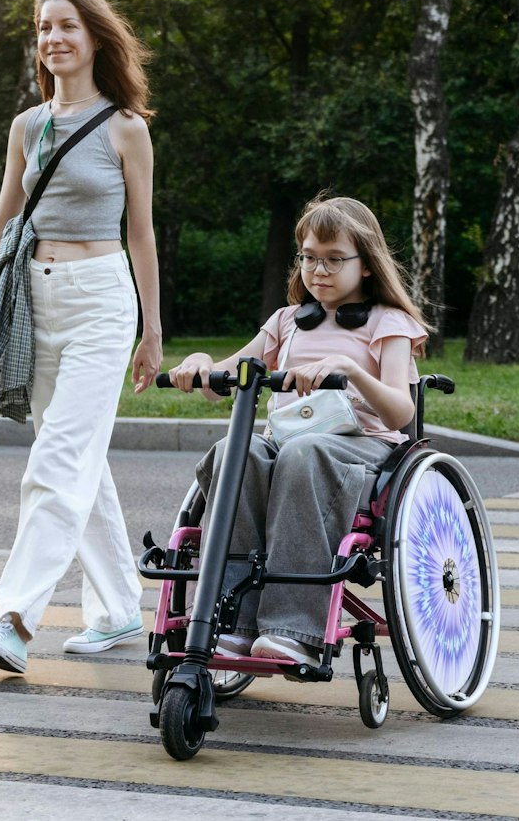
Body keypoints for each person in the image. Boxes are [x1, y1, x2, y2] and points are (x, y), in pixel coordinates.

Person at [0, 0, 164, 674]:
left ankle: (15, 618)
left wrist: (152, 329)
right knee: (78, 461)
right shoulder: (26, 127)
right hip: (34, 302)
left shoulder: (126, 126)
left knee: (58, 459)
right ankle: (120, 608)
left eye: (67, 25)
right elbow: (4, 223)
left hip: (102, 300)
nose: (54, 38)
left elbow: (142, 234)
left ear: (95, 37)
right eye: (43, 28)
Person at [164, 194, 428, 667]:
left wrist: (350, 369)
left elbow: (398, 413)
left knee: (304, 453)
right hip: (289, 446)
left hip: (362, 451)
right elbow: (223, 380)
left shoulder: (389, 324)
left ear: (366, 264)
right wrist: (201, 365)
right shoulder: (286, 322)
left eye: (333, 260)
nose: (318, 270)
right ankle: (232, 624)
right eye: (308, 258)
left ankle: (292, 628)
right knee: (235, 451)